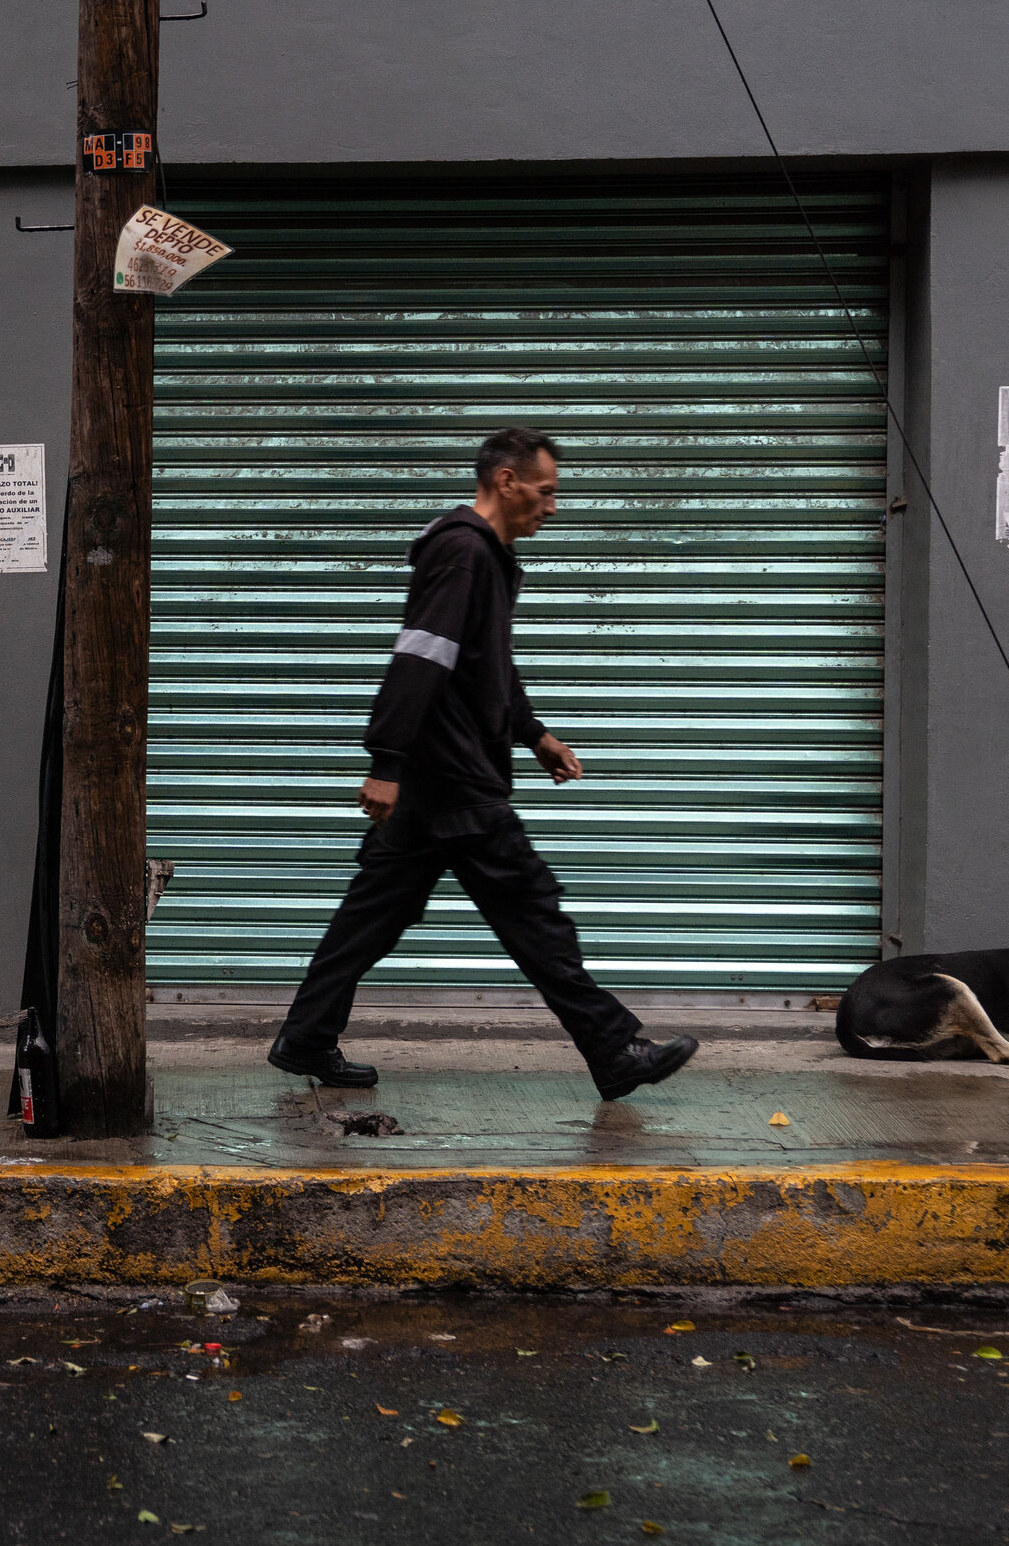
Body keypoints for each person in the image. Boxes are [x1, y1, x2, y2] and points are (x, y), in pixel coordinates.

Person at [266, 427, 700, 1101]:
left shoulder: (484, 557)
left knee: (371, 915)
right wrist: (387, 761)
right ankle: (614, 1048)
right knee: (534, 913)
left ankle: (306, 1036)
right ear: (507, 481)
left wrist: (535, 735)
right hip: (454, 780)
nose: (552, 507)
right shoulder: (464, 553)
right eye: (546, 491)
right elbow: (421, 657)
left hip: (438, 782)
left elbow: (484, 667)